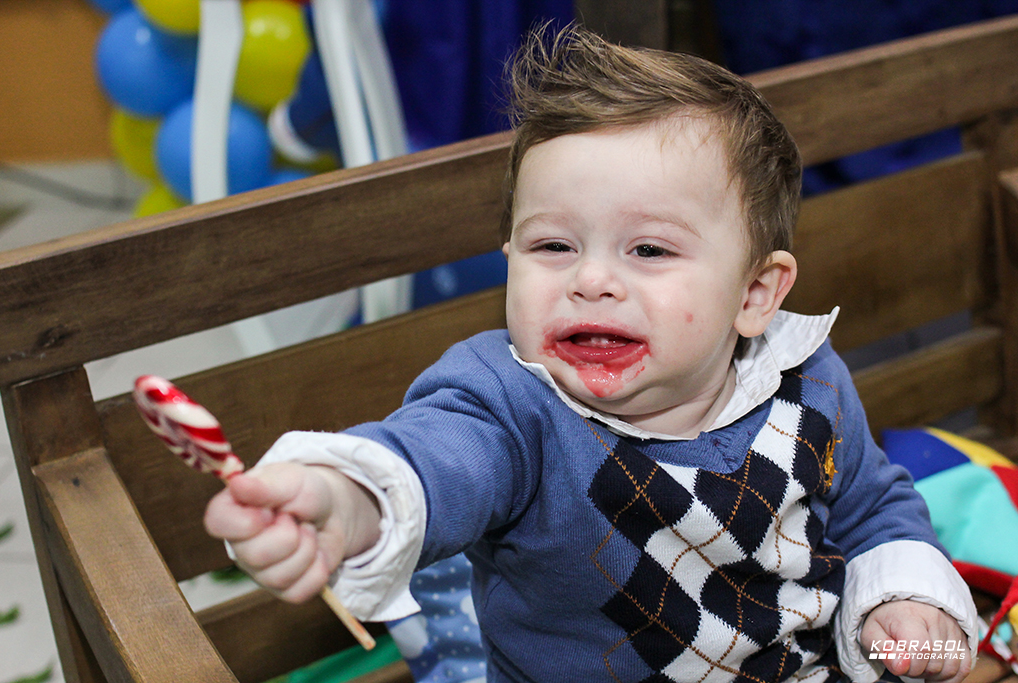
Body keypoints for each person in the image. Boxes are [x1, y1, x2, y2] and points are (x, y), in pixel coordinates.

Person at [204, 24, 977, 683]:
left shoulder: (806, 377)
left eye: (647, 248)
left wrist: (904, 606)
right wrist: (341, 500)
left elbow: (872, 508)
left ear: (754, 295)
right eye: (552, 244)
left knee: (945, 653)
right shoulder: (510, 404)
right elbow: (428, 463)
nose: (592, 279)